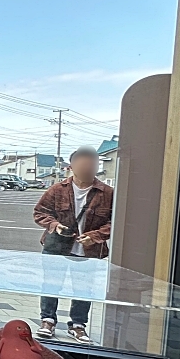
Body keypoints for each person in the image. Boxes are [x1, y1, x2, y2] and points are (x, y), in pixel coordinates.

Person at [32, 146, 113, 343]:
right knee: (51, 284)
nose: (88, 168)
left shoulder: (107, 193)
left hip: (89, 249)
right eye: (83, 164)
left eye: (92, 164)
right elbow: (40, 212)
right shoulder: (57, 190)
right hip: (56, 246)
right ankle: (48, 321)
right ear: (71, 167)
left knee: (84, 289)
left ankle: (78, 325)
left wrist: (95, 236)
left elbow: (115, 221)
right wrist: (55, 225)